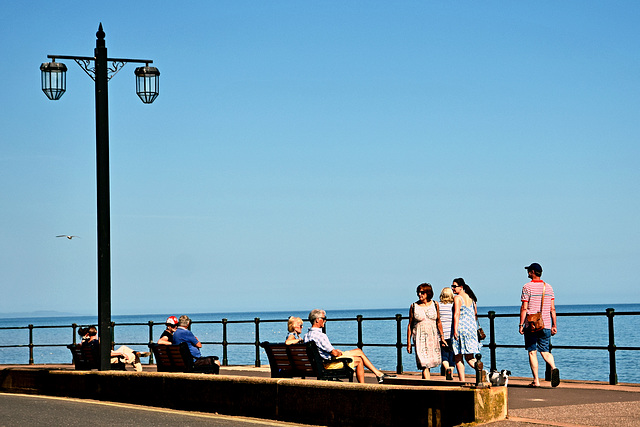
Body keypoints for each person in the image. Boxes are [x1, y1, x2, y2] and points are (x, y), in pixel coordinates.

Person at [303, 309, 394, 383]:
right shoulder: (320, 335)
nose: (325, 320)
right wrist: (338, 352)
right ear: (317, 320)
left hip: (319, 363)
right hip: (328, 364)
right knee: (359, 359)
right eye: (324, 318)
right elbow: (334, 353)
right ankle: (366, 384)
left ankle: (378, 374)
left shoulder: (306, 336)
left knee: (359, 351)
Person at [519, 263, 560, 387]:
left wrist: (521, 324)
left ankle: (536, 380)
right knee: (545, 351)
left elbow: (524, 308)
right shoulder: (548, 287)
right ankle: (553, 367)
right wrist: (554, 325)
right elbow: (552, 309)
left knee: (532, 352)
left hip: (531, 324)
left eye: (529, 271)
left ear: (532, 272)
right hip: (546, 323)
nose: (528, 273)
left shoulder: (527, 287)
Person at [407, 283, 444, 379]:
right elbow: (410, 325)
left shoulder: (435, 304)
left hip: (432, 337)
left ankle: (425, 385)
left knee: (429, 363)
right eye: (418, 292)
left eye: (422, 292)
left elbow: (438, 321)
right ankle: (428, 384)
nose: (420, 294)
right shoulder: (414, 306)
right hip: (419, 338)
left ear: (428, 293)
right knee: (424, 364)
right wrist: (408, 342)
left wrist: (442, 337)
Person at [80, 326, 149, 372]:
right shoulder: (96, 343)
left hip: (98, 360)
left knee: (123, 347)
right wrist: (121, 354)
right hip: (107, 360)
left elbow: (82, 343)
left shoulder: (86, 343)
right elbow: (108, 354)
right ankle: (139, 373)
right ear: (96, 332)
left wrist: (84, 337)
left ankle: (136, 352)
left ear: (87, 334)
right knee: (133, 356)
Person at [451, 278, 481, 382]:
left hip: (461, 328)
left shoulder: (457, 298)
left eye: (454, 286)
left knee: (458, 356)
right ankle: (482, 371)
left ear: (461, 287)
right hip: (471, 329)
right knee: (469, 357)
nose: (452, 288)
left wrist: (455, 330)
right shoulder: (471, 297)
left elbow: (456, 314)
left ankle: (462, 380)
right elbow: (475, 313)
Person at [438, 287, 455, 380]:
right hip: (452, 334)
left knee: (444, 355)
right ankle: (451, 370)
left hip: (442, 335)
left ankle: (447, 369)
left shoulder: (438, 306)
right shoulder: (453, 305)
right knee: (452, 356)